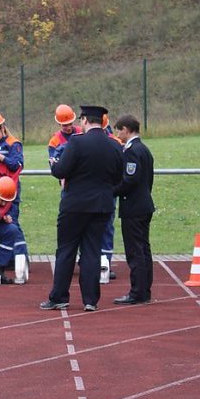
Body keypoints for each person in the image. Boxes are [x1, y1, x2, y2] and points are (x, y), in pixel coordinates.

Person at [40, 105, 123, 312]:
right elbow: (119, 177)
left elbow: (60, 171)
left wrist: (53, 164)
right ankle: (90, 299)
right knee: (92, 251)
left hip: (74, 205)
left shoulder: (77, 142)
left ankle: (59, 296)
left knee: (66, 250)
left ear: (84, 120)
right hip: (102, 205)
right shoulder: (114, 145)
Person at [112, 114, 155, 305]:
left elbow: (130, 179)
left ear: (126, 130)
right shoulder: (144, 149)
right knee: (144, 249)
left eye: (119, 130)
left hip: (134, 207)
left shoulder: (131, 151)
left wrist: (111, 191)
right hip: (144, 204)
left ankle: (137, 292)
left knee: (135, 250)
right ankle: (144, 289)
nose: (118, 134)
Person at [100, 112, 125, 282]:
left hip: (106, 192)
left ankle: (104, 262)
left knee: (106, 228)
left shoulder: (116, 143)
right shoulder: (116, 144)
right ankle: (95, 262)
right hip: (106, 192)